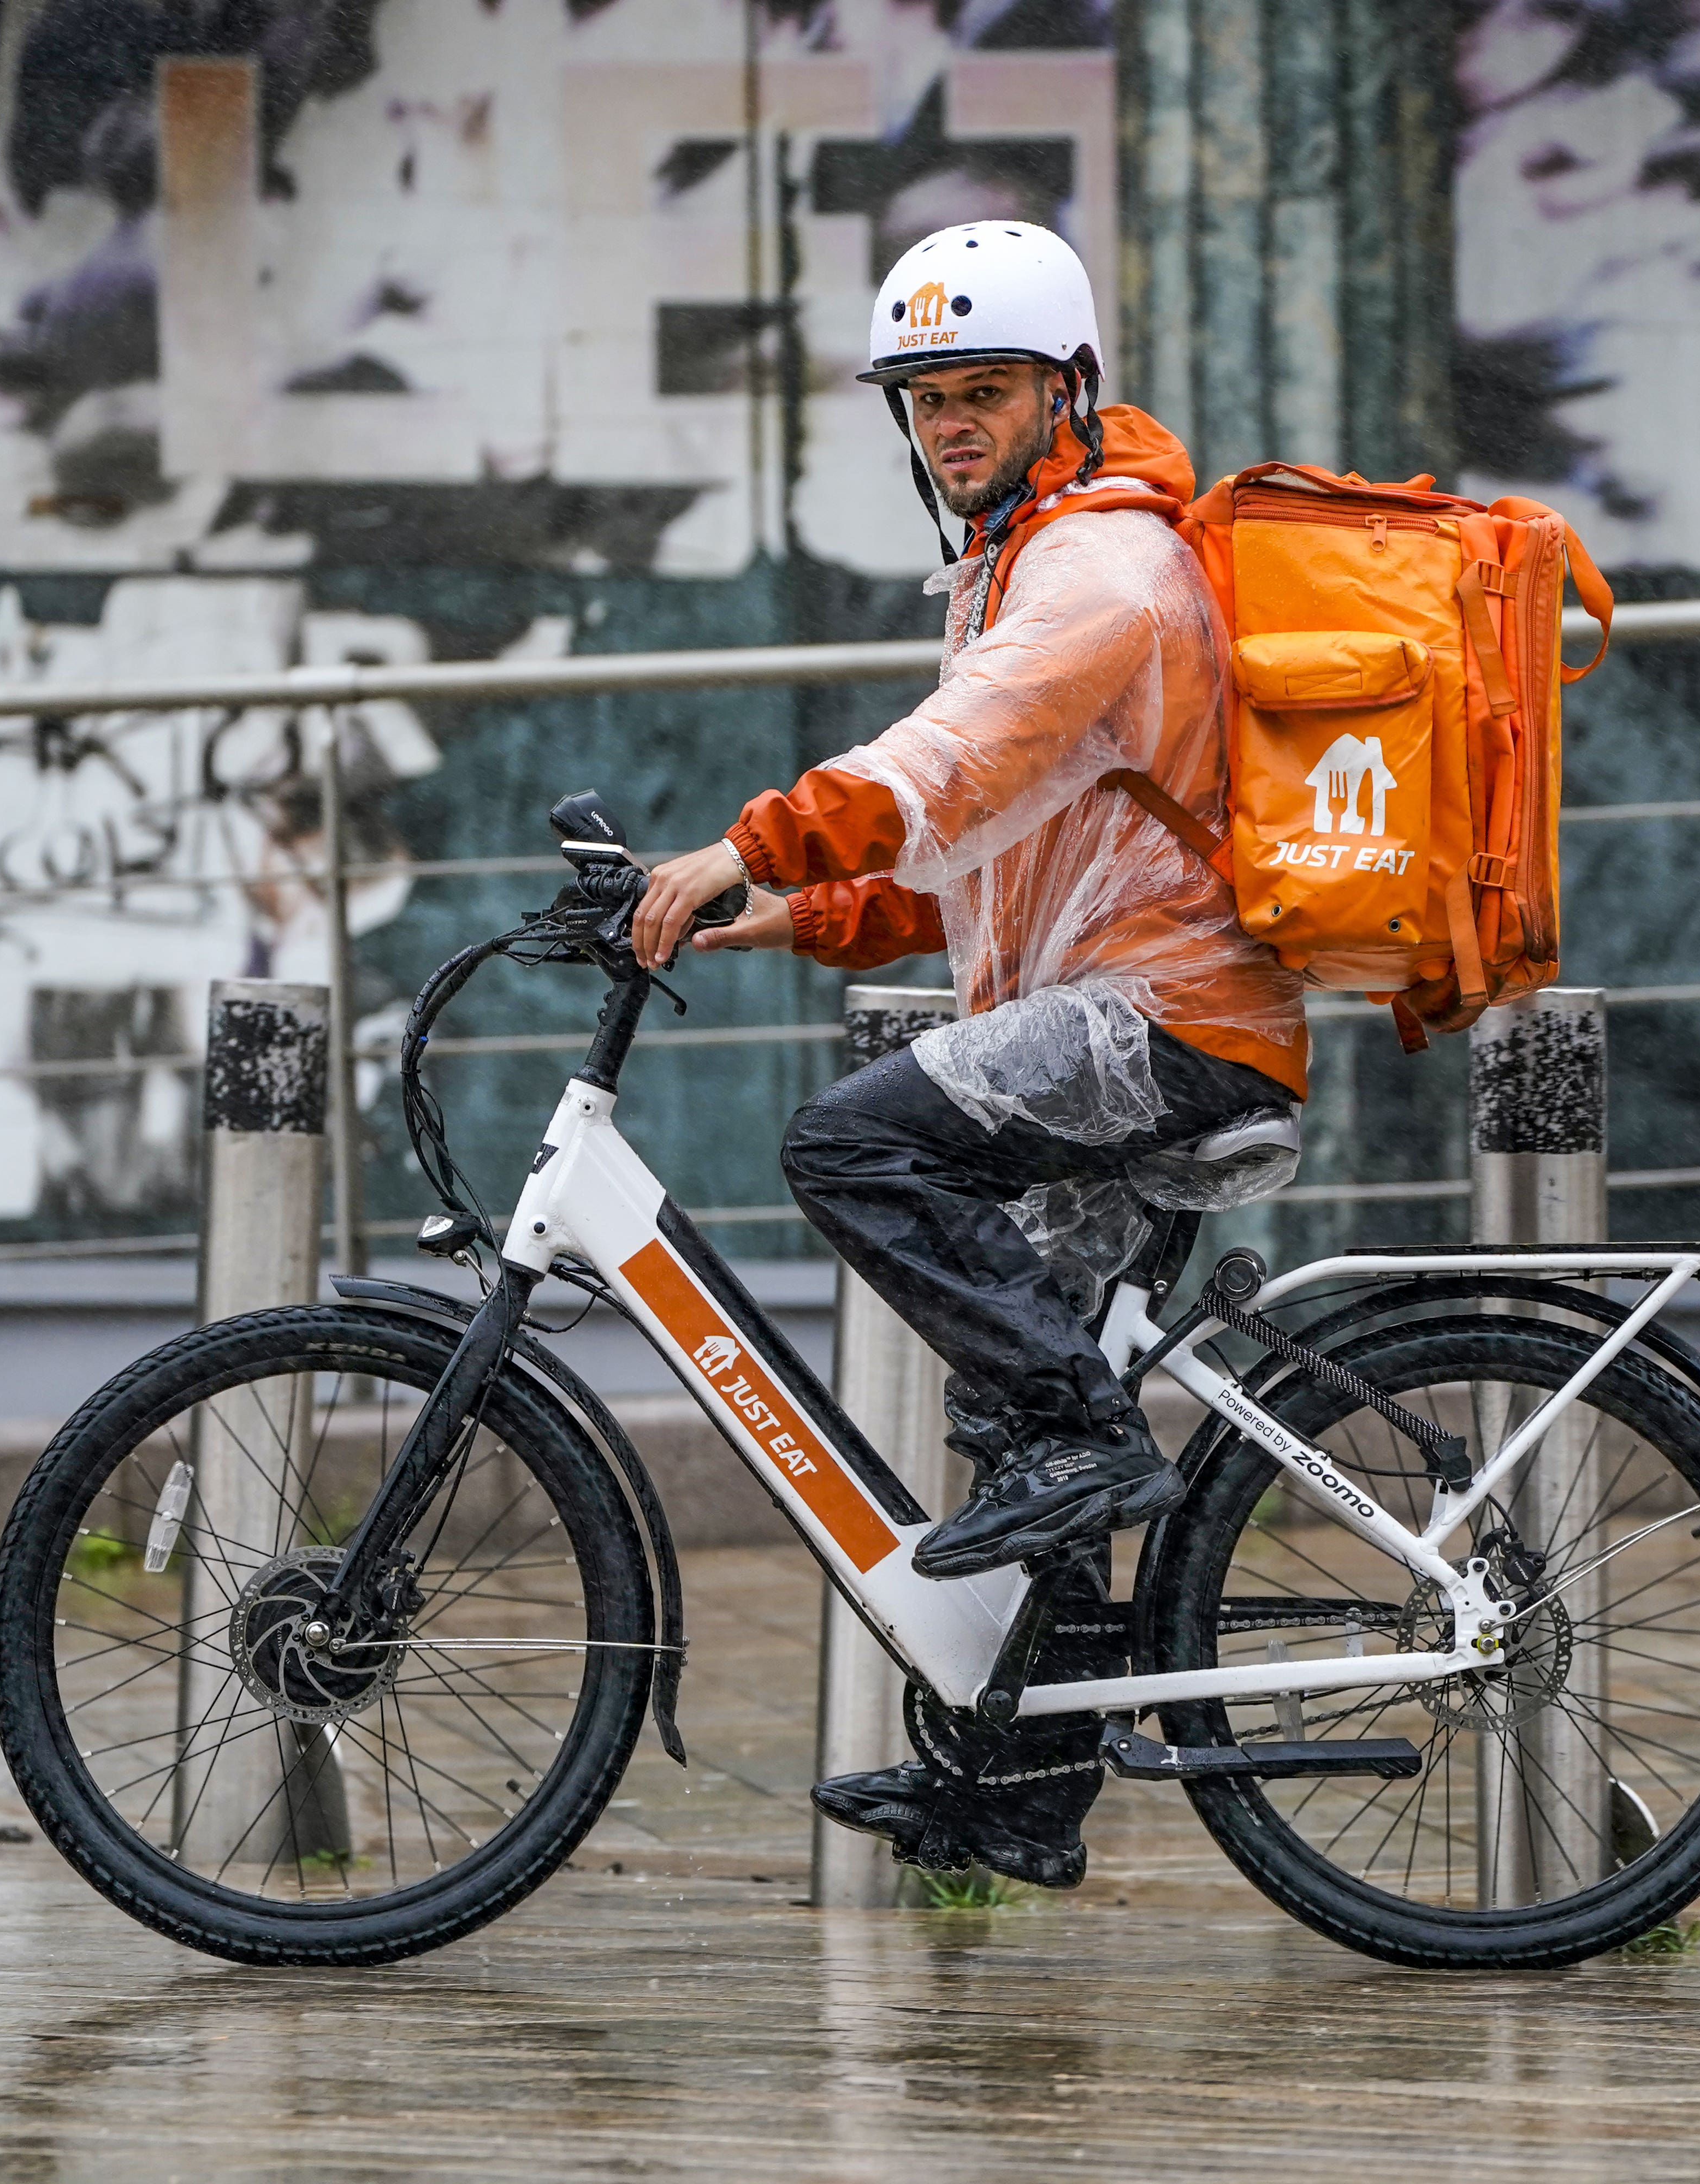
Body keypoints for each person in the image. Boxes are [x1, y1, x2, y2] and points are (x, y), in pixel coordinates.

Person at [629, 221, 1306, 1888]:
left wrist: (754, 846)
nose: (948, 425)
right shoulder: (1029, 559)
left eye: (984, 390)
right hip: (1099, 1014)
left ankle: (1086, 1432)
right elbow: (983, 865)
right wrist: (786, 917)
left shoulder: (1103, 570)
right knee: (1025, 1454)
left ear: (1068, 391)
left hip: (1168, 1024)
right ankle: (1018, 1793)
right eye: (924, 399)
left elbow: (948, 758)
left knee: (852, 1149)